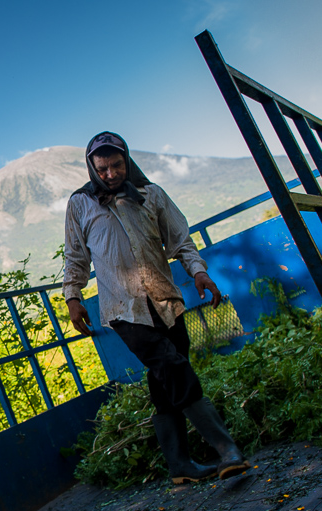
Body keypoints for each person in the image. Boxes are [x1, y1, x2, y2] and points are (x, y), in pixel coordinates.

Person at [63, 131, 250, 483]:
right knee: (173, 368)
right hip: (124, 309)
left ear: (127, 161)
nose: (109, 174)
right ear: (92, 168)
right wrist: (73, 298)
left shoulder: (151, 195)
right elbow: (75, 256)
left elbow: (181, 240)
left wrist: (199, 273)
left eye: (116, 165)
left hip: (166, 302)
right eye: (101, 168)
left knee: (164, 381)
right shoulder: (80, 204)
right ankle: (226, 450)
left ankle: (180, 467)